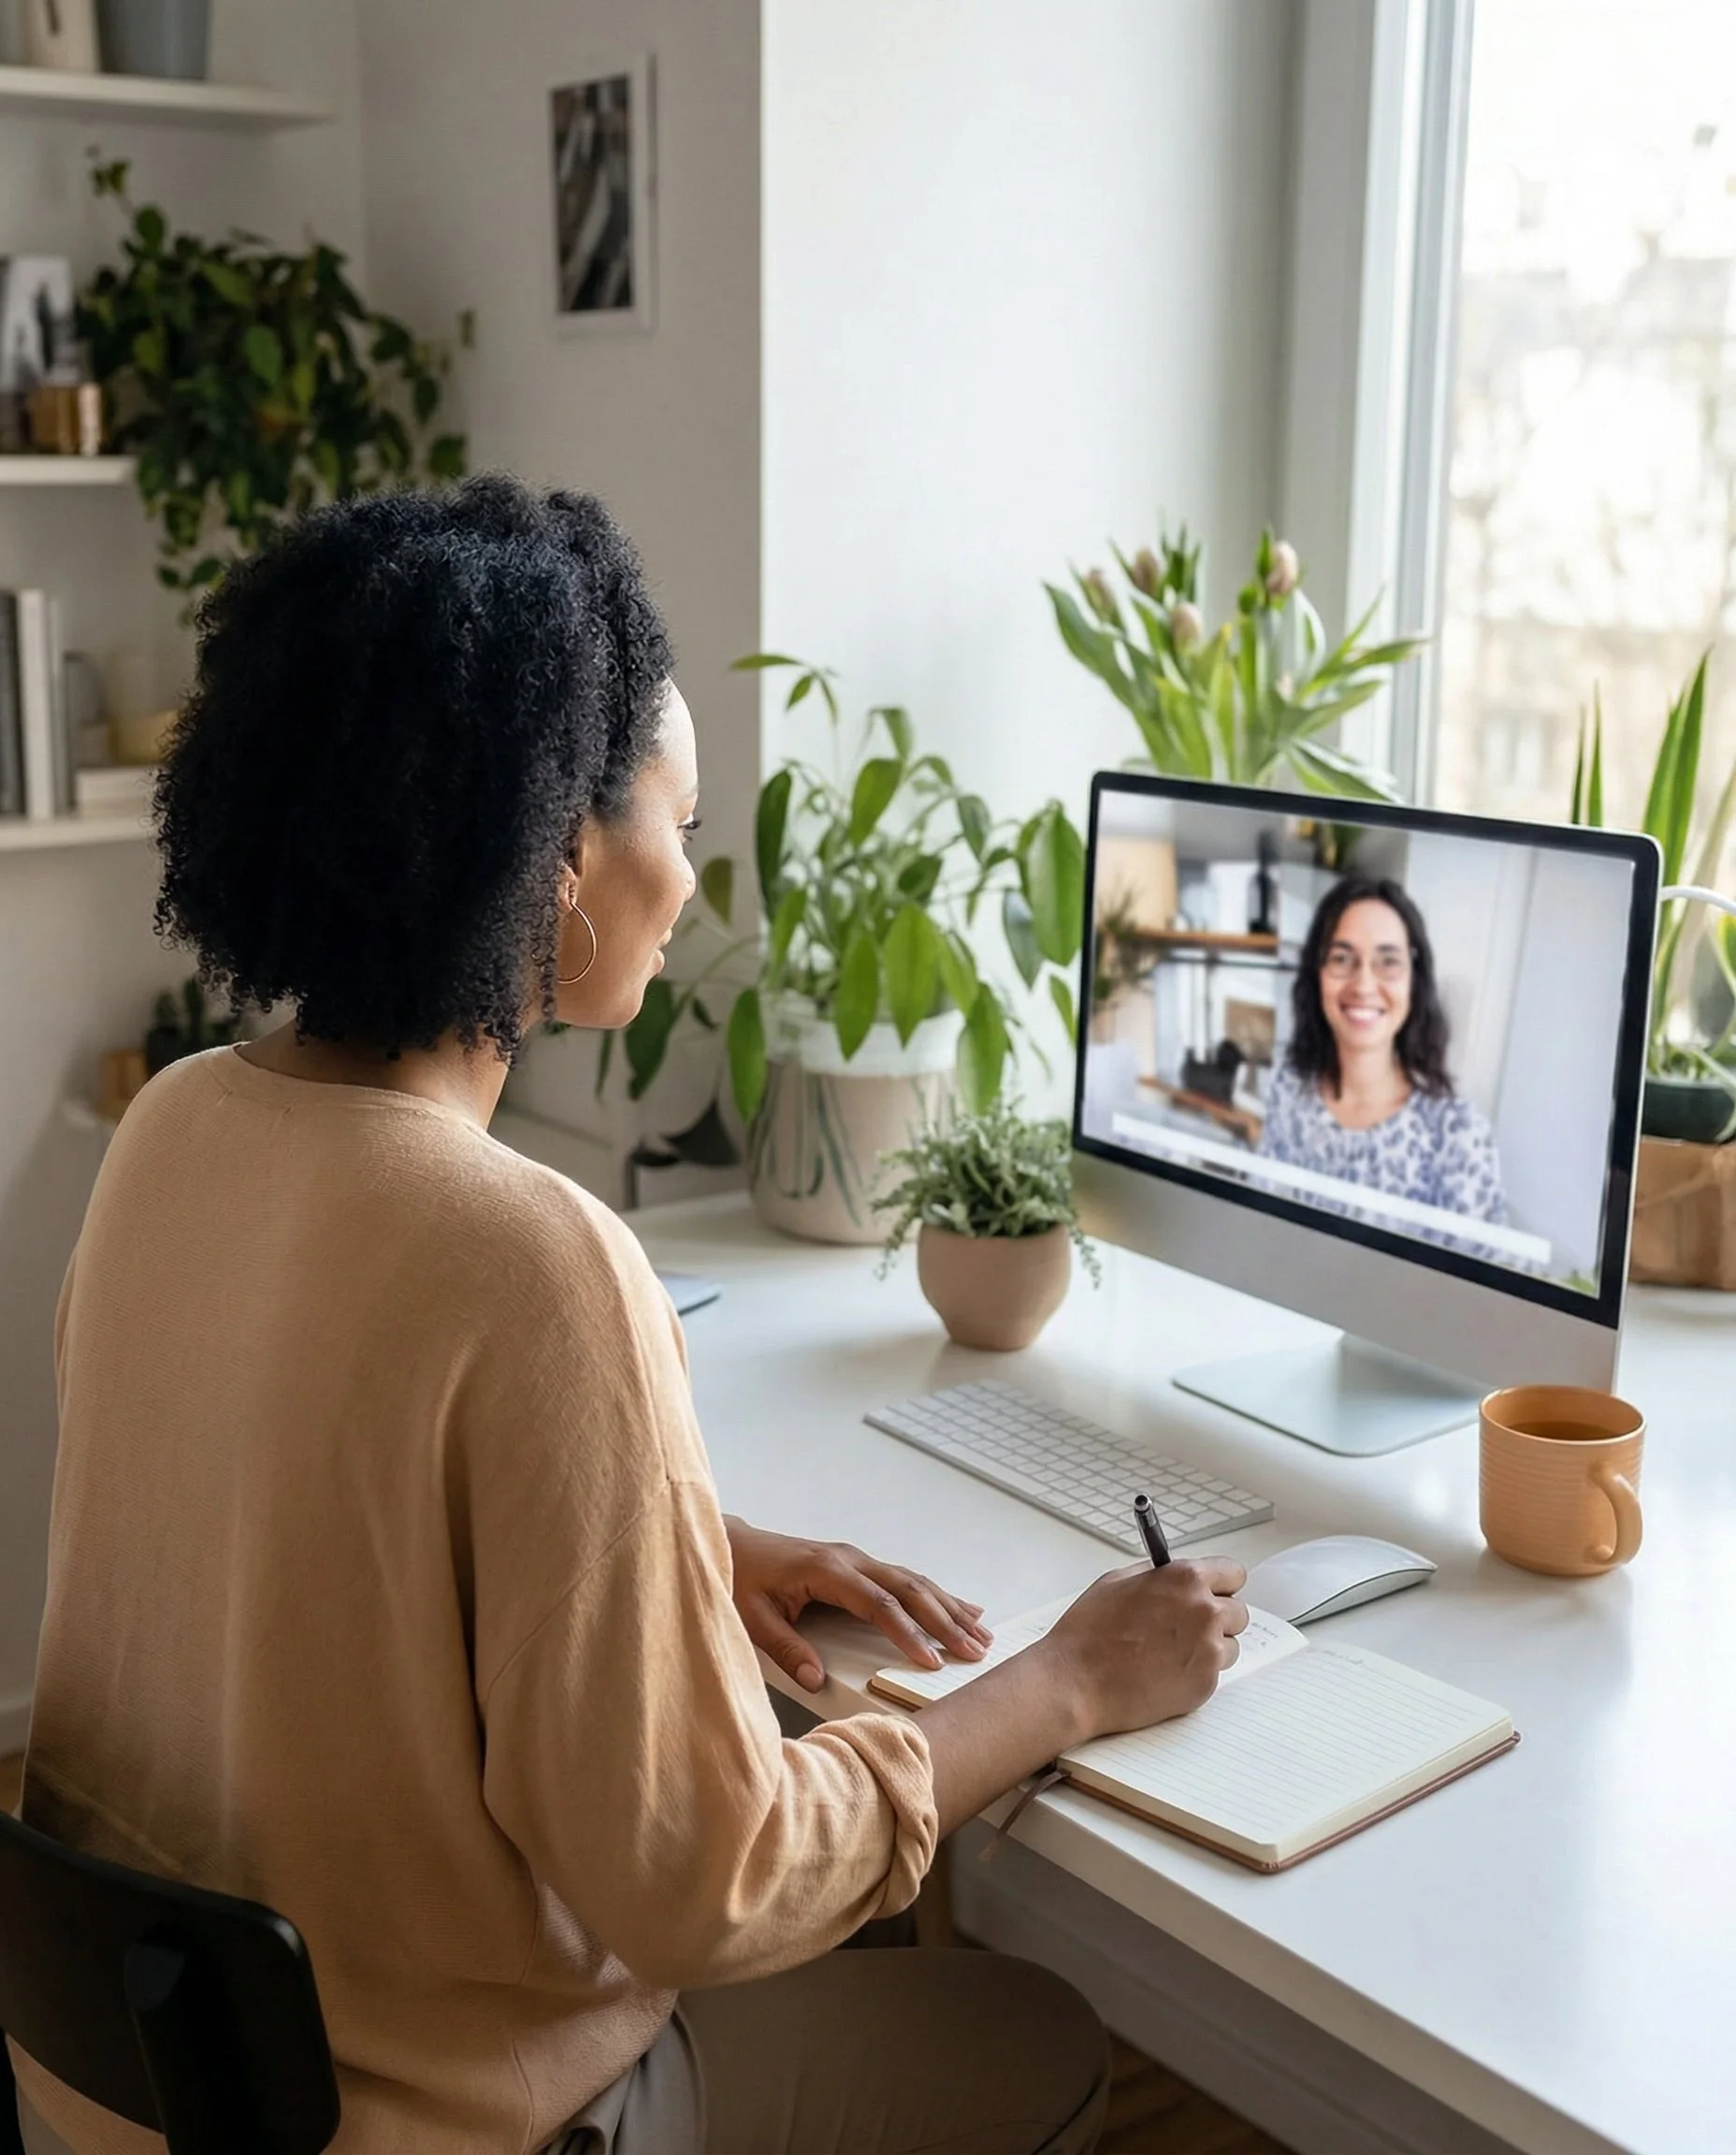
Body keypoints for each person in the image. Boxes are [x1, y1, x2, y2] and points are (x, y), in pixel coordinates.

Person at [12, 479, 1249, 2155]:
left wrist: (665, 1549)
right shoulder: (537, 1262)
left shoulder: (171, 1131)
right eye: (673, 811)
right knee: (1027, 2028)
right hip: (440, 2120)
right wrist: (1060, 1683)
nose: (689, 871)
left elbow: (293, 1508)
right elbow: (705, 1882)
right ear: (559, 851)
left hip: (128, 2094)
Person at [1257, 874, 1507, 1235]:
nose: (1363, 985)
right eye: (1342, 958)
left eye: (1388, 961)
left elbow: (1489, 1286)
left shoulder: (1458, 1136)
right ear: (1318, 973)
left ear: (1414, 980)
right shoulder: (1291, 1089)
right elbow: (1262, 1225)